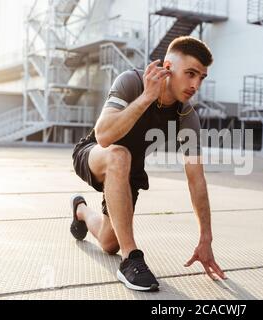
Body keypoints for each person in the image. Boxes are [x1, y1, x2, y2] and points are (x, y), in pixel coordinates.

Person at [70, 36, 226, 292]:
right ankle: (131, 259)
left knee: (110, 243)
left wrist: (206, 238)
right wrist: (146, 97)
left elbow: (196, 178)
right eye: (190, 74)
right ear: (168, 67)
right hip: (95, 154)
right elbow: (104, 136)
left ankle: (81, 210)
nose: (196, 84)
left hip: (127, 172)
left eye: (201, 77)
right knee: (119, 154)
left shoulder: (187, 116)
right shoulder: (132, 81)